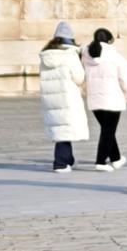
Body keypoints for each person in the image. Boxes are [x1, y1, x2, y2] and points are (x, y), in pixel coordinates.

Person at [83, 27, 127, 171]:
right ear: (110, 40)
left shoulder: (86, 56)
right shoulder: (116, 57)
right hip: (112, 99)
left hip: (94, 99)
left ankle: (116, 158)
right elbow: (125, 80)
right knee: (108, 131)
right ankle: (100, 161)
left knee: (107, 130)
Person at [38, 20, 87, 172]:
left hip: (51, 97)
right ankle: (60, 163)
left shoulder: (46, 56)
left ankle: (68, 159)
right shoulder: (70, 55)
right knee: (64, 130)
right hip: (67, 97)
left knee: (61, 128)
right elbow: (79, 78)